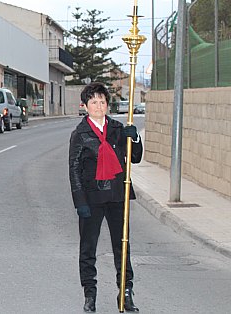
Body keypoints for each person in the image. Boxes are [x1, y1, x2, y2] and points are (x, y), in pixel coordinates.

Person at [68, 82, 142, 313]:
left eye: (102, 102)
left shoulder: (118, 129)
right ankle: (90, 294)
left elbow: (135, 158)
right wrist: (80, 202)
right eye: (94, 102)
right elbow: (74, 170)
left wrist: (135, 138)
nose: (98, 106)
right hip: (91, 199)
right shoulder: (80, 134)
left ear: (107, 105)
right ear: (86, 106)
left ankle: (126, 291)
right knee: (88, 248)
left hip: (117, 196)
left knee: (122, 246)